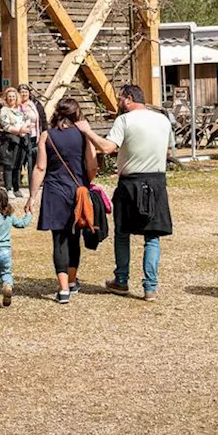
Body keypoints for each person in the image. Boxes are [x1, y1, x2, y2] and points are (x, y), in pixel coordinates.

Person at [77, 84, 174, 302]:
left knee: (122, 233)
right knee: (152, 236)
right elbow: (168, 149)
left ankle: (121, 280)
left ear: (129, 99)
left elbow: (109, 148)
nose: (119, 103)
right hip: (157, 181)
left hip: (131, 182)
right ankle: (150, 287)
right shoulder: (163, 120)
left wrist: (87, 131)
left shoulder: (125, 120)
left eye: (120, 99)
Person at [26, 97, 98, 304]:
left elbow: (40, 168)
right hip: (77, 190)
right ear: (76, 115)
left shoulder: (46, 136)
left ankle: (63, 288)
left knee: (59, 239)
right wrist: (86, 182)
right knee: (74, 237)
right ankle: (73, 280)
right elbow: (91, 165)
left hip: (54, 191)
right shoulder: (83, 135)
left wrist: (32, 196)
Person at [0, 87, 27, 196]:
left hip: (21, 139)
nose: (11, 98)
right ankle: (8, 188)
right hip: (10, 140)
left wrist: (25, 128)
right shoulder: (4, 110)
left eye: (13, 96)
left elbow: (27, 119)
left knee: (18, 164)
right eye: (9, 96)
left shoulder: (21, 109)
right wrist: (19, 130)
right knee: (9, 164)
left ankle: (16, 188)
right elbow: (5, 125)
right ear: (6, 98)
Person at [18, 84, 42, 187]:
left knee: (33, 158)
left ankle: (33, 182)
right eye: (21, 92)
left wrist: (43, 133)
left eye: (25, 91)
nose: (24, 94)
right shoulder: (16, 105)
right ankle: (16, 183)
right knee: (20, 158)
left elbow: (42, 119)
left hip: (34, 135)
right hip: (20, 135)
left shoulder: (35, 104)